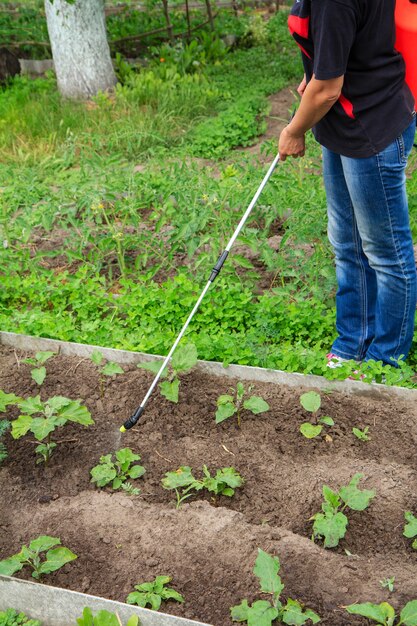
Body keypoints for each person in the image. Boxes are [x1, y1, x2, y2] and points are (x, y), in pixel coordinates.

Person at [279, 0, 416, 368]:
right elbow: (351, 41)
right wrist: (321, 63)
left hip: (371, 127)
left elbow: (326, 91)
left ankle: (386, 359)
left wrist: (294, 131)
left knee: (386, 252)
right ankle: (352, 344)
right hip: (344, 124)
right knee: (347, 244)